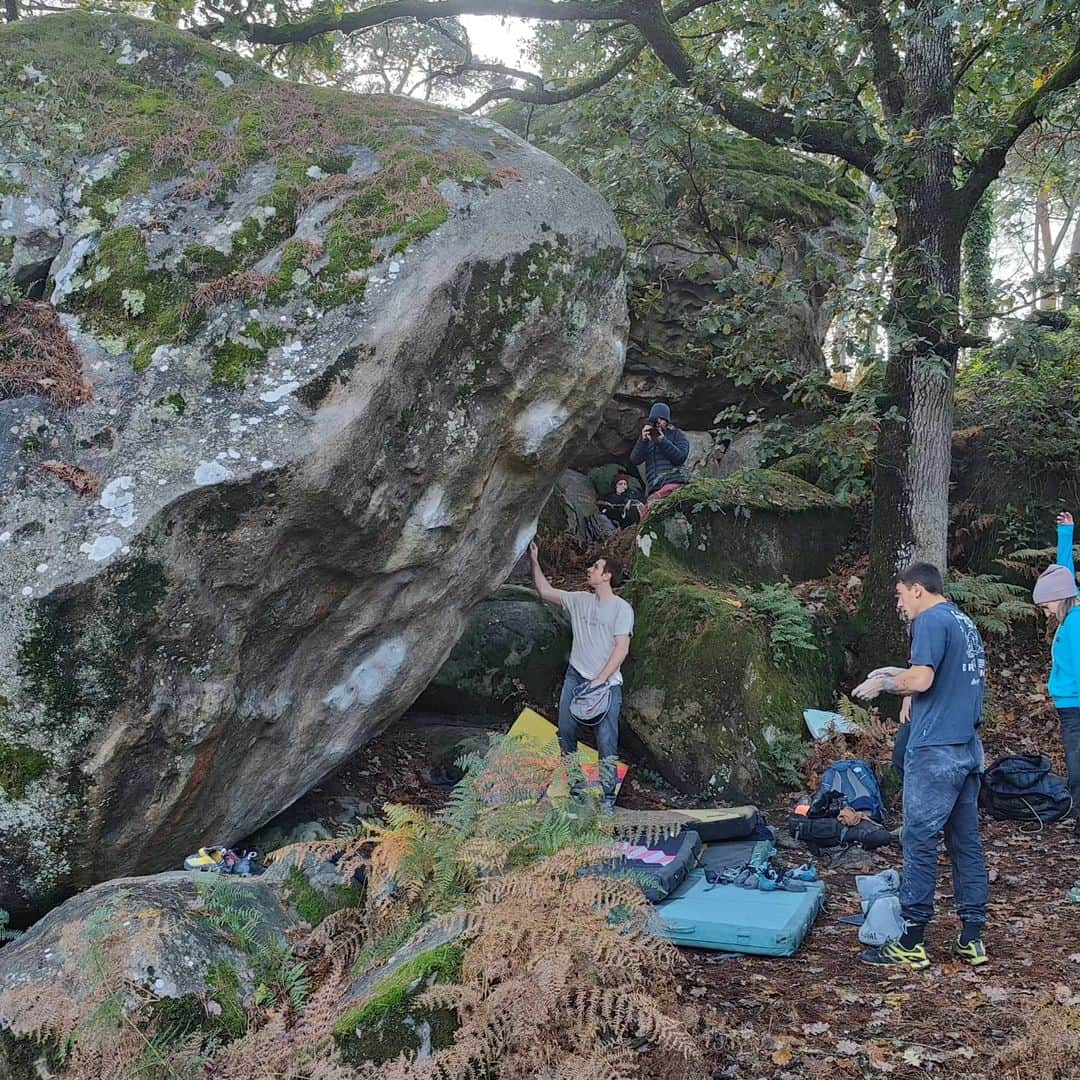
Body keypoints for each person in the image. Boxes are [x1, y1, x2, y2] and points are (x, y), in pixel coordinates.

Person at [852, 562, 989, 969]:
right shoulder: (963, 622)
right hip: (967, 748)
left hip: (935, 752)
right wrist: (903, 679)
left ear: (916, 590)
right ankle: (972, 937)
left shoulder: (928, 620)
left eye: (899, 595)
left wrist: (887, 684)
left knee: (918, 840)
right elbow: (947, 679)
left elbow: (924, 679)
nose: (899, 604)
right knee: (966, 842)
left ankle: (911, 940)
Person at [528, 541, 634, 815]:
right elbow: (545, 591)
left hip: (606, 685)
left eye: (596, 567)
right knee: (566, 734)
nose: (590, 569)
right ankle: (576, 790)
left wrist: (600, 680)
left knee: (607, 742)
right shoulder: (579, 600)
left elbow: (622, 648)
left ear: (607, 576)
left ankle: (608, 799)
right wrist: (534, 560)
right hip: (576, 678)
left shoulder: (622, 609)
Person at [1032, 510, 1080, 837]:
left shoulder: (1076, 624)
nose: (1045, 610)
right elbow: (1063, 572)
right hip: (1068, 706)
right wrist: (1066, 533)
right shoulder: (1069, 616)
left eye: (1046, 604)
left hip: (1076, 707)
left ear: (1059, 600)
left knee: (1077, 770)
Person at [629, 402, 690, 505]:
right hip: (654, 489)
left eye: (661, 419)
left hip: (673, 483)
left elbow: (680, 457)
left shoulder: (676, 434)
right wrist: (642, 441)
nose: (658, 423)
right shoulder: (647, 439)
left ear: (667, 421)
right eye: (655, 420)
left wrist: (662, 441)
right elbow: (634, 460)